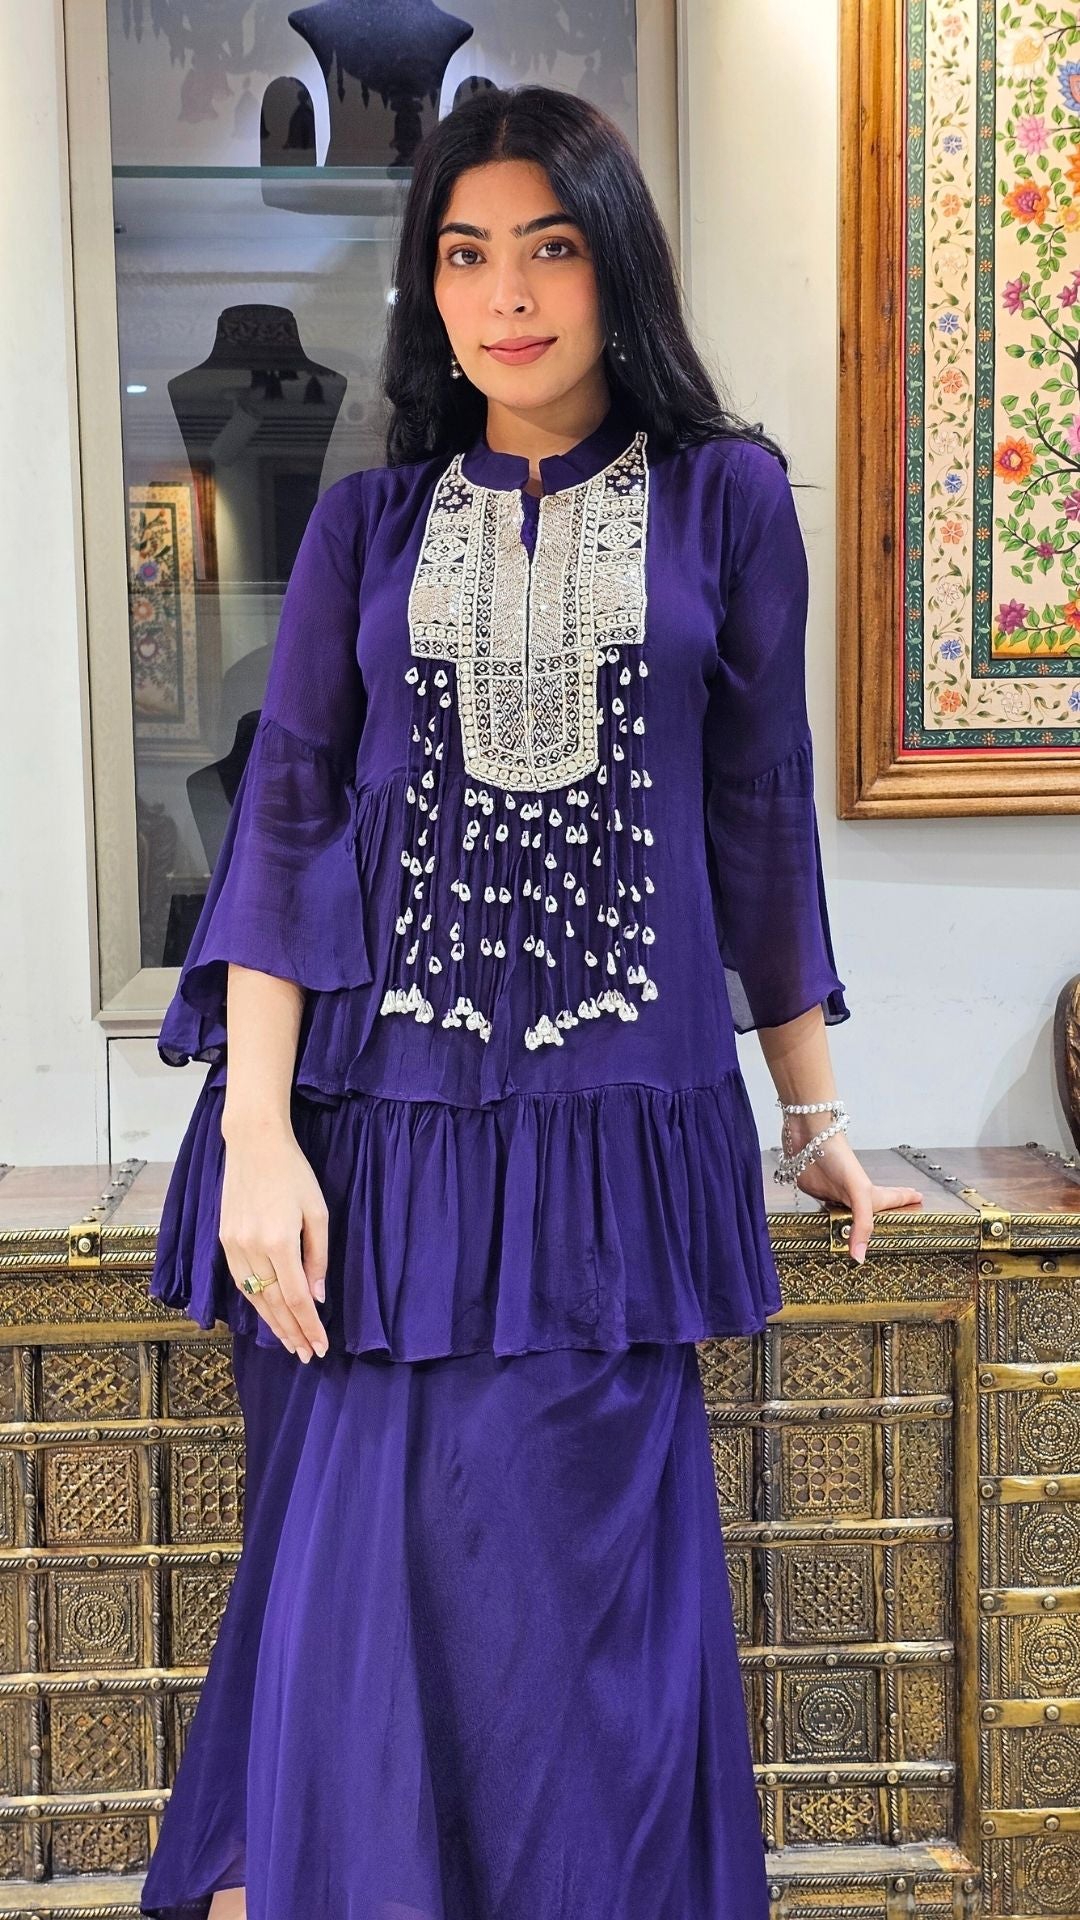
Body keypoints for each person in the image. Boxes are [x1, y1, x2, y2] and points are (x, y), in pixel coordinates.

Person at [139, 82, 924, 1920]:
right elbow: (288, 822)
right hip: (378, 1152)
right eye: (466, 254)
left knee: (587, 1644)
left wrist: (814, 1117)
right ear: (428, 284)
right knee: (362, 1624)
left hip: (614, 1162)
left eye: (551, 249)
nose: (507, 295)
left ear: (616, 265)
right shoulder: (370, 525)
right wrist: (258, 1137)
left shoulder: (729, 502)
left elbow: (757, 819)